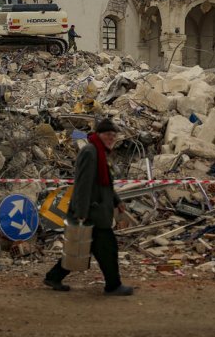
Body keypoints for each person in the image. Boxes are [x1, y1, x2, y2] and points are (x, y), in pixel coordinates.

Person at [44, 118, 133, 296]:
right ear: (99, 135)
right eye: (108, 135)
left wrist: (117, 201)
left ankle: (54, 277)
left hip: (97, 211)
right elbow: (83, 185)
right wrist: (81, 213)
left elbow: (105, 184)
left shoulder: (100, 153)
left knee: (81, 248)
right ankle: (113, 285)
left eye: (113, 135)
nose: (111, 138)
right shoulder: (90, 152)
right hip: (92, 212)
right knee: (107, 249)